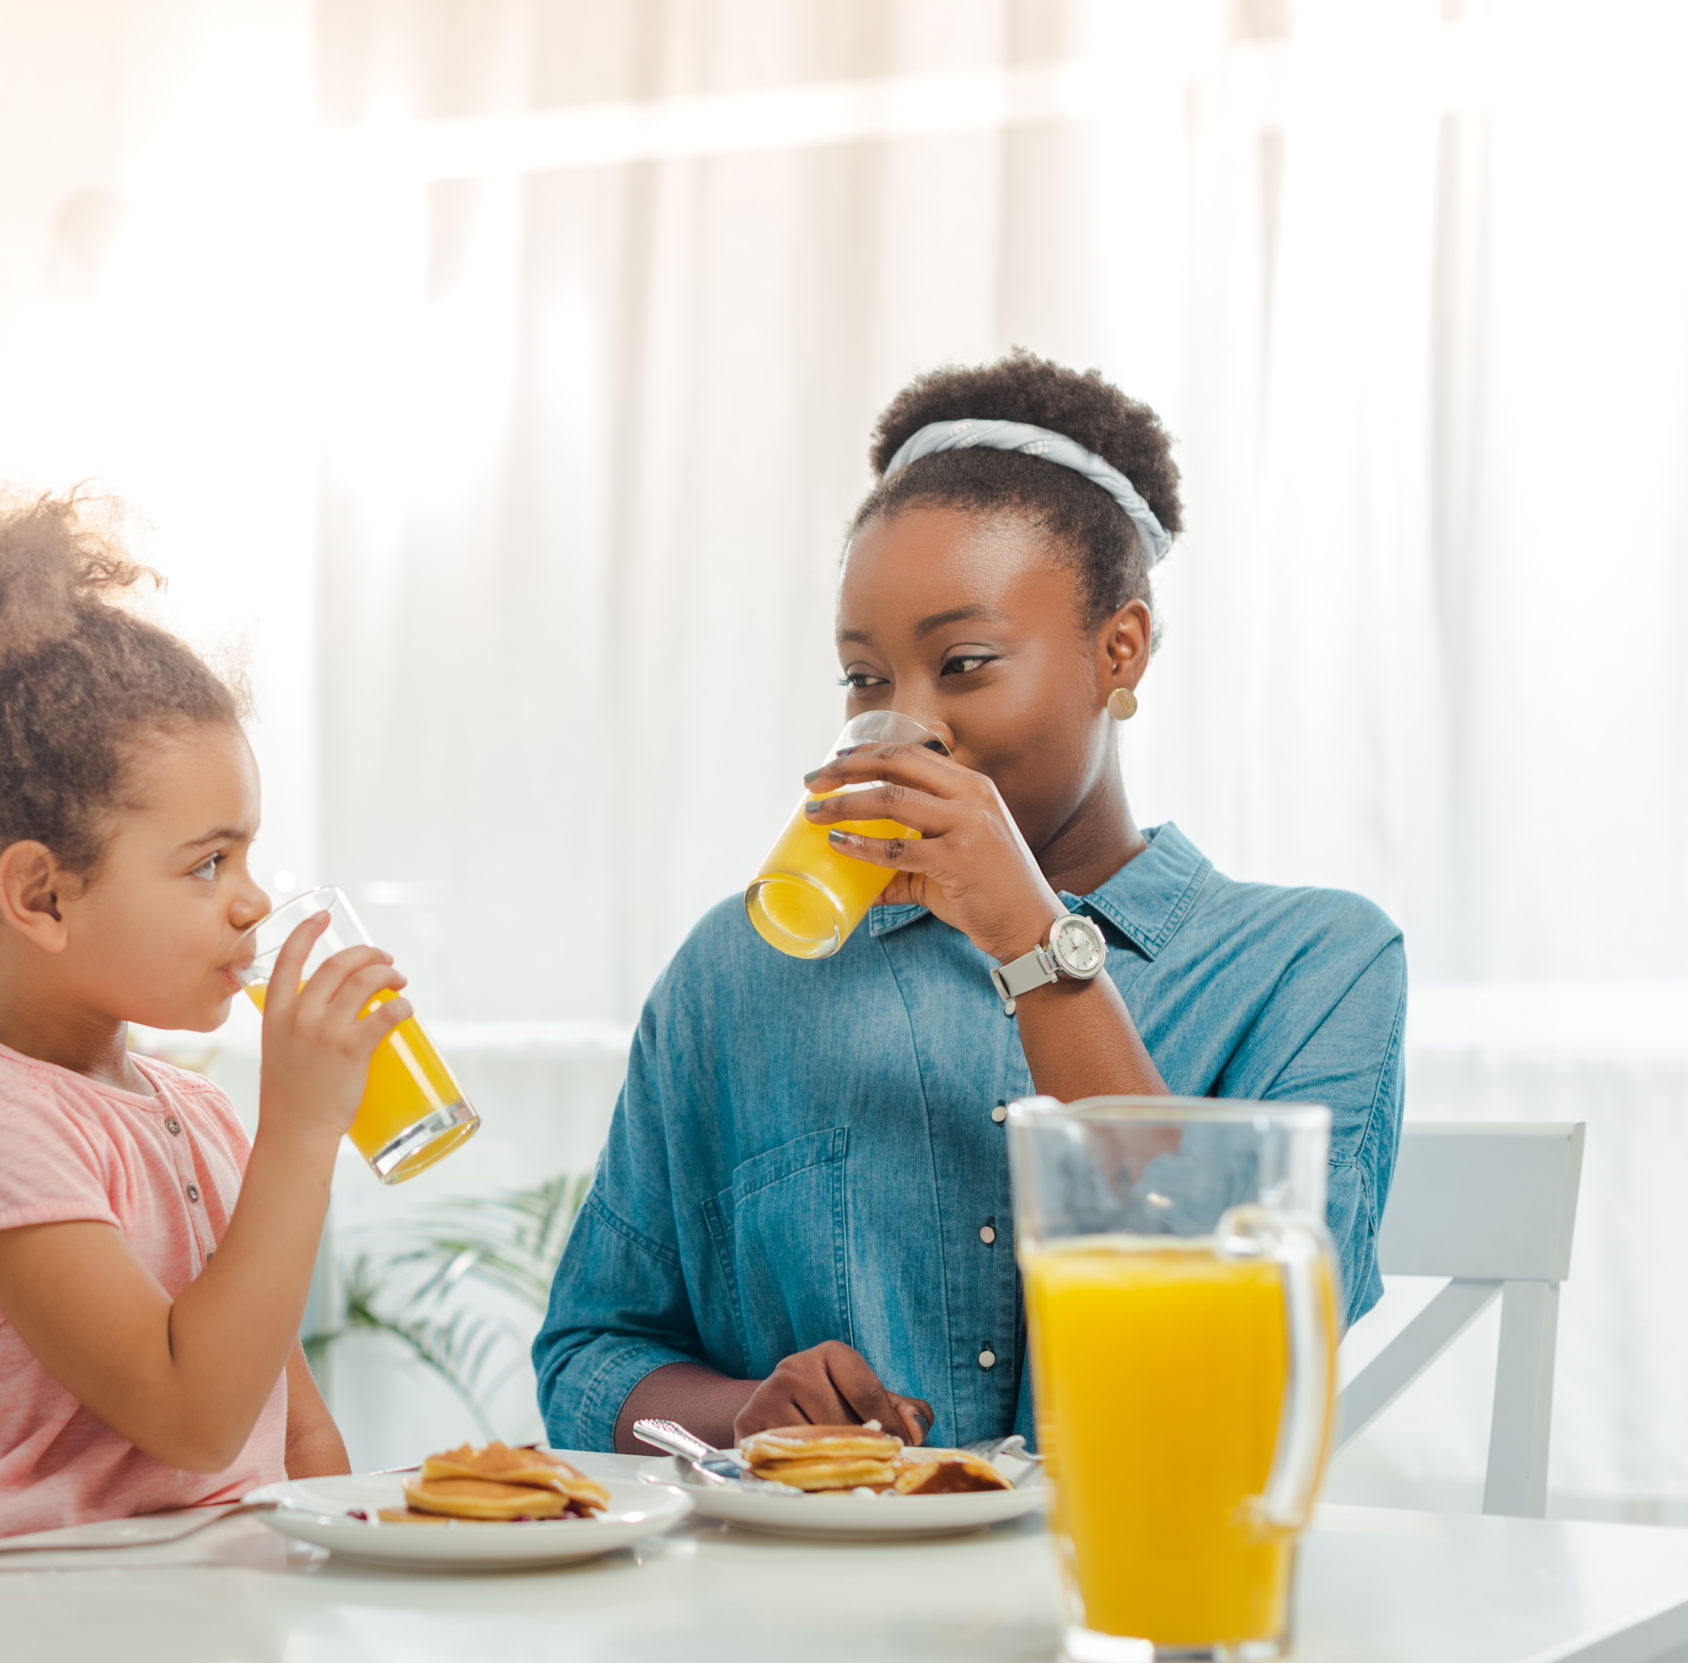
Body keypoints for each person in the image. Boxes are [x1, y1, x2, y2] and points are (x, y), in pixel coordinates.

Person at [533, 352, 1407, 1456]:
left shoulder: (1315, 965)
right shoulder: (736, 972)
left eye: (965, 661)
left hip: (1149, 1599)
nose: (907, 724)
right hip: (800, 1616)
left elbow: (1247, 1372)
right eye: (864, 678)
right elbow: (588, 1359)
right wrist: (742, 1414)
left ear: (1118, 651)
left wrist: (1036, 943)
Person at [0, 484, 389, 1555]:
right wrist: (305, 1130)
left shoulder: (202, 1117)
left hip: (182, 1625)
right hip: (1, 1632)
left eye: (250, 855)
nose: (253, 900)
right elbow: (194, 1416)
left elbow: (296, 1433)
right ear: (43, 896)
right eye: (207, 861)